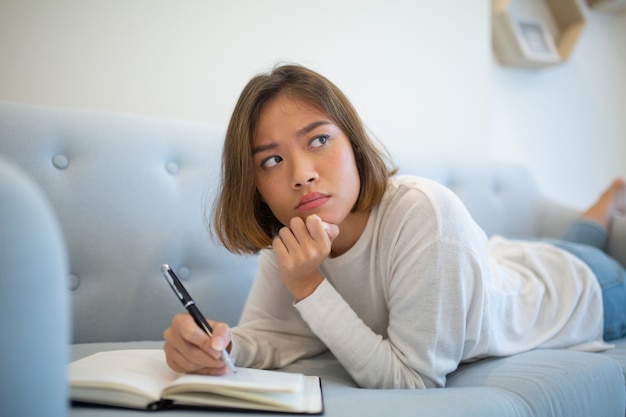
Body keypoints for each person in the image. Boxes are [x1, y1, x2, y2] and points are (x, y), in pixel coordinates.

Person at [163, 64, 626, 389]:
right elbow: (275, 337)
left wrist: (308, 286)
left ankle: (608, 200)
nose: (300, 174)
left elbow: (413, 381)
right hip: (510, 261)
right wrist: (218, 346)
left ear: (355, 145)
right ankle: (607, 201)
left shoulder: (424, 210)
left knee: (579, 251)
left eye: (319, 139)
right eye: (272, 160)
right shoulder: (295, 231)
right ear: (256, 183)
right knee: (559, 244)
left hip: (585, 291)